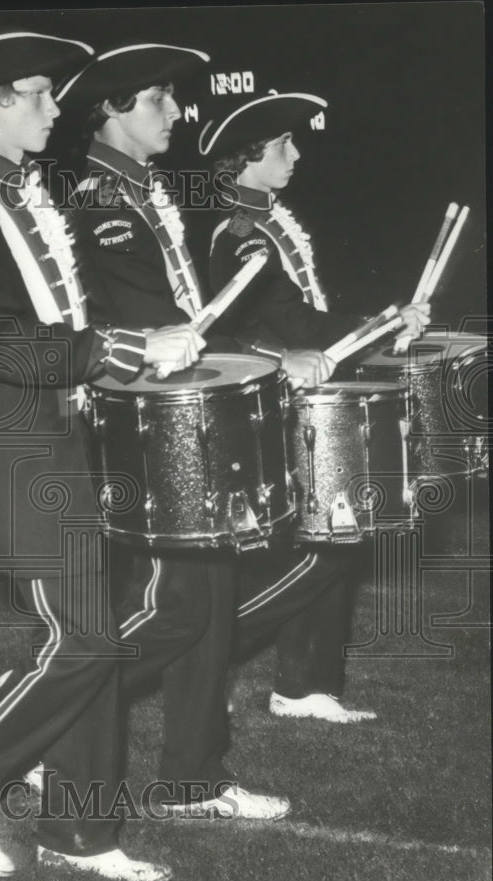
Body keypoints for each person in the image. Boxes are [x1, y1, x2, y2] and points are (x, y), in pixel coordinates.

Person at [0, 29, 213, 881]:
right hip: (11, 446)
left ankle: (82, 833)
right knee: (84, 639)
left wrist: (125, 348)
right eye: (40, 95)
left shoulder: (19, 193)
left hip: (61, 438)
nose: (55, 108)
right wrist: (115, 349)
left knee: (96, 639)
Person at [59, 43, 290, 819]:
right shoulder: (98, 197)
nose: (174, 112)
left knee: (211, 596)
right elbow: (140, 319)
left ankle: (193, 775)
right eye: (158, 99)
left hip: (172, 410)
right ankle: (43, 717)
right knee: (182, 602)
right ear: (113, 111)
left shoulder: (140, 188)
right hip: (143, 420)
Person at [202, 91, 430, 721]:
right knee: (310, 547)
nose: (297, 153)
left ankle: (305, 686)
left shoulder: (270, 220)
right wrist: (380, 324)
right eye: (283, 145)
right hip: (277, 401)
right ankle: (210, 654)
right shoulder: (241, 232)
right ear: (246, 160)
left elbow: (306, 314)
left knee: (336, 533)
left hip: (307, 396)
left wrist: (383, 325)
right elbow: (282, 321)